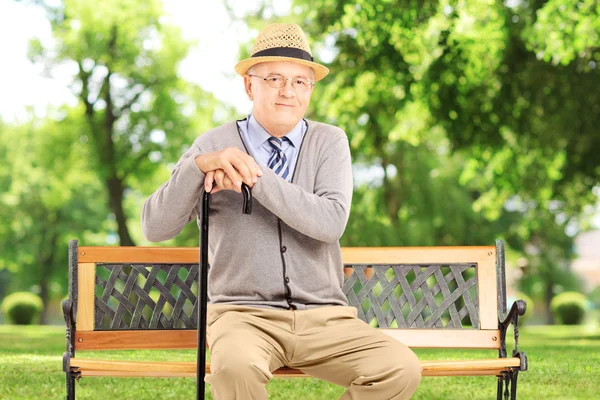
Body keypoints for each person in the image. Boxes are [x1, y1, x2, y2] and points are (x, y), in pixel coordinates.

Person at [141, 23, 421, 400]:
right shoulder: (212, 145)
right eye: (274, 78)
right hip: (242, 316)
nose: (288, 91)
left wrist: (254, 178)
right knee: (236, 369)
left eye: (300, 82)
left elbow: (330, 221)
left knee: (399, 369)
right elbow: (154, 227)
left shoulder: (329, 141)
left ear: (310, 89)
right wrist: (197, 167)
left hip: (325, 317)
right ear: (249, 85)